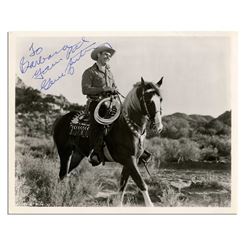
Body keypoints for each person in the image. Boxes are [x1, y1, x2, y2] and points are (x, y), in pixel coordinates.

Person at [82, 44, 117, 166]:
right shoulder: (89, 72)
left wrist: (114, 90)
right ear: (98, 55)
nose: (108, 56)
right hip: (96, 103)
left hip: (111, 103)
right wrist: (103, 89)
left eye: (109, 55)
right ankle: (95, 153)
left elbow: (114, 87)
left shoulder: (109, 73)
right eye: (106, 54)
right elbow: (85, 90)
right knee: (98, 125)